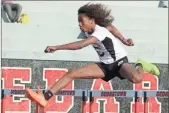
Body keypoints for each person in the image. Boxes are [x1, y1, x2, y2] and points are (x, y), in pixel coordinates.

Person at [25, 3, 160, 108]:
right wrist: (124, 39)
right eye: (78, 21)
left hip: (120, 63)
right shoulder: (95, 29)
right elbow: (111, 27)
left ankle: (141, 64)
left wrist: (57, 47)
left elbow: (81, 45)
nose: (79, 24)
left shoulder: (99, 32)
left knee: (137, 78)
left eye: (81, 21)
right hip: (105, 66)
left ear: (92, 20)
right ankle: (45, 97)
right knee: (72, 73)